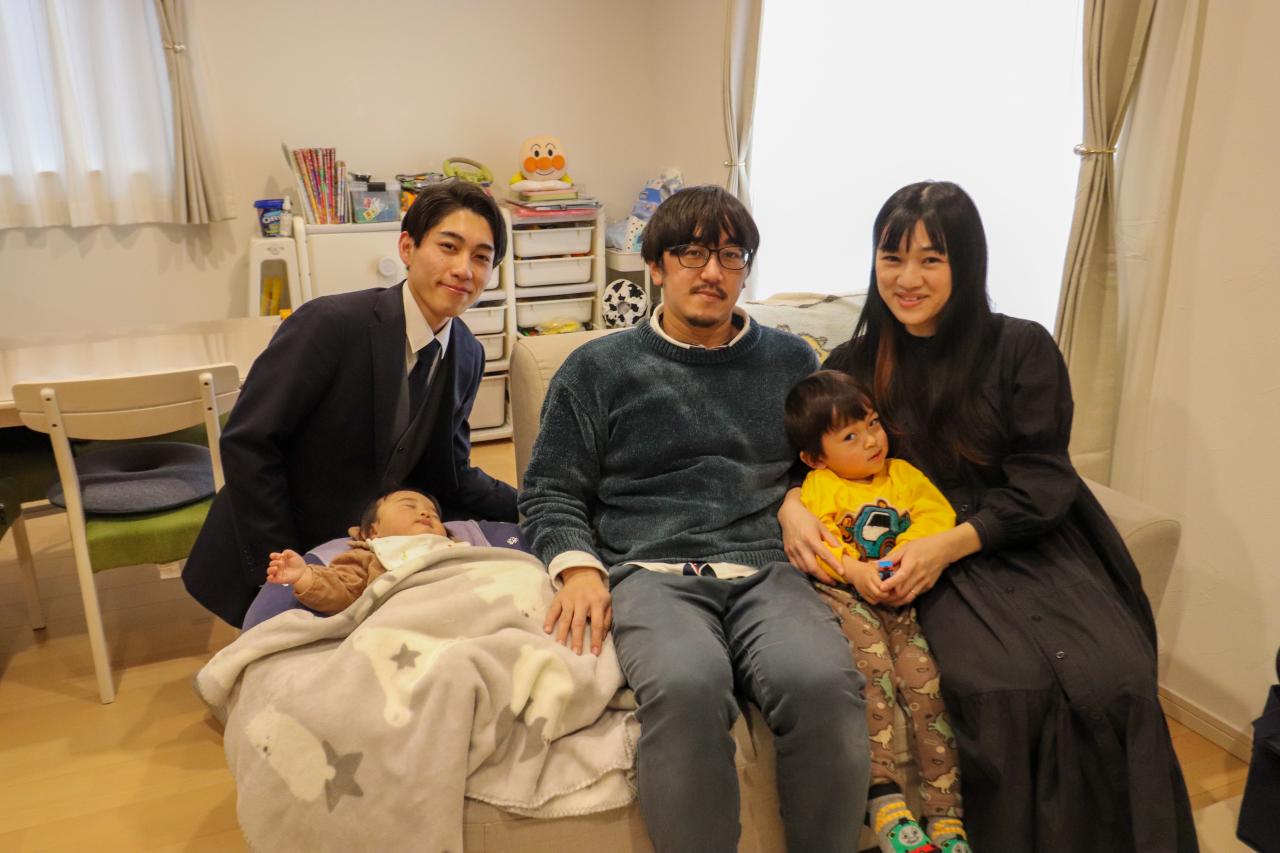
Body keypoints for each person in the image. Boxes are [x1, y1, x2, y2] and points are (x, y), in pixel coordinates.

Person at [779, 180, 1197, 850]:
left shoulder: (1022, 347)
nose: (907, 278)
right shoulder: (852, 366)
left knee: (1113, 673)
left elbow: (1045, 479)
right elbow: (812, 465)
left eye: (931, 259)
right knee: (997, 685)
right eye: (892, 257)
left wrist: (949, 543)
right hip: (925, 561)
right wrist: (792, 504)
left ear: (967, 263)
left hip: (1027, 540)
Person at [519, 185, 869, 853]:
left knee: (823, 683)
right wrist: (579, 568)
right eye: (692, 253)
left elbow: (824, 462)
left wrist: (796, 499)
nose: (712, 271)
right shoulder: (596, 368)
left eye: (731, 255)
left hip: (767, 568)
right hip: (650, 570)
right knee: (686, 685)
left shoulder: (791, 362)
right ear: (655, 265)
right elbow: (549, 490)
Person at [183, 180, 516, 628]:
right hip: (285, 548)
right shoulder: (330, 324)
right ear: (407, 247)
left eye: (481, 257)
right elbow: (249, 442)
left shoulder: (467, 354)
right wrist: (284, 571)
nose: (463, 269)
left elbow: (452, 473)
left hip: (366, 562)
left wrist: (542, 505)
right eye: (448, 247)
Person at [785, 370, 968, 853]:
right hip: (848, 599)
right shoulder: (819, 486)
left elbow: (937, 516)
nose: (871, 440)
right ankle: (885, 802)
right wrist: (854, 569)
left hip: (904, 601)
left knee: (926, 682)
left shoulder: (903, 475)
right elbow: (815, 545)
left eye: (872, 424)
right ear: (815, 457)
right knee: (873, 675)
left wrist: (905, 557)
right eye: (850, 436)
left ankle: (946, 816)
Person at [266, 488, 468, 614]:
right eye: (408, 506)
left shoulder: (459, 549)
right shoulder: (369, 556)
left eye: (434, 514)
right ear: (373, 531)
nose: (425, 513)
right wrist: (303, 575)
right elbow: (340, 591)